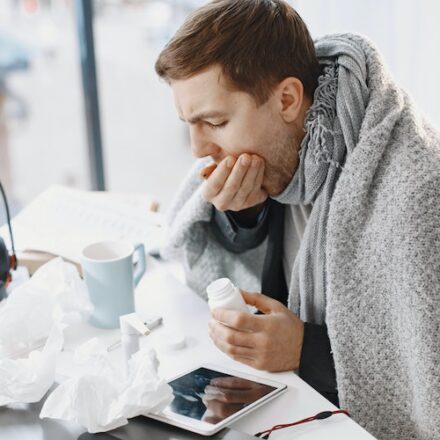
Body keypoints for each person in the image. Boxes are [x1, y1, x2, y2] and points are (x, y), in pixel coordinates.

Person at [154, 1, 440, 439]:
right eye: (188, 125)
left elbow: (426, 376)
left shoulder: (417, 192)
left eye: (214, 122)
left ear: (287, 99)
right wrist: (244, 212)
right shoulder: (282, 154)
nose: (197, 150)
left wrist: (306, 351)